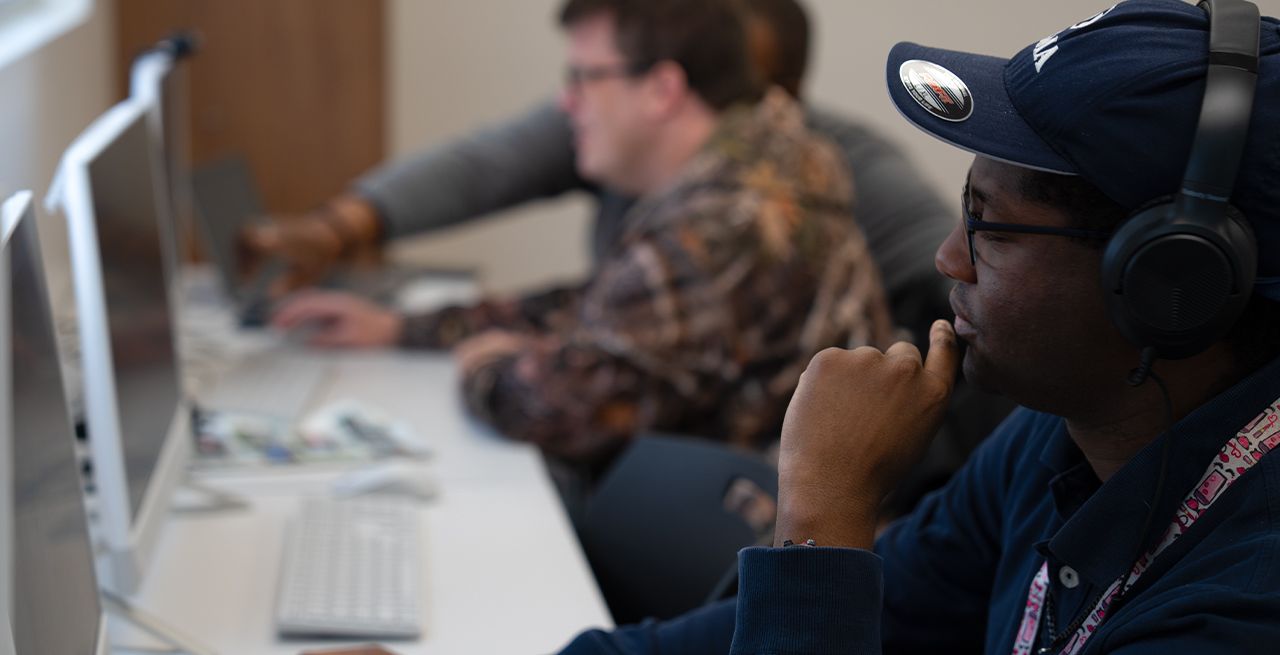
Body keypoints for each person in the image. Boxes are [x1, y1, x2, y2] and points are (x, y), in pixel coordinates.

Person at [554, 0, 1280, 652]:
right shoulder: (1057, 436)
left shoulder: (1241, 608)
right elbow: (899, 605)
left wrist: (824, 513)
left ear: (1172, 282)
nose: (946, 257)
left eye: (987, 226)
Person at [273, 0, 893, 465]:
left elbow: (555, 406)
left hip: (740, 558)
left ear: (662, 89)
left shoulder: (727, 220)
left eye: (582, 78)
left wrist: (486, 365)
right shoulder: (762, 157)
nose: (566, 103)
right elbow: (606, 305)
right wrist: (400, 329)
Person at [239, 0, 953, 343]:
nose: (568, 102)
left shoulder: (757, 197)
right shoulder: (625, 132)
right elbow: (491, 166)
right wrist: (338, 233)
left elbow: (566, 387)